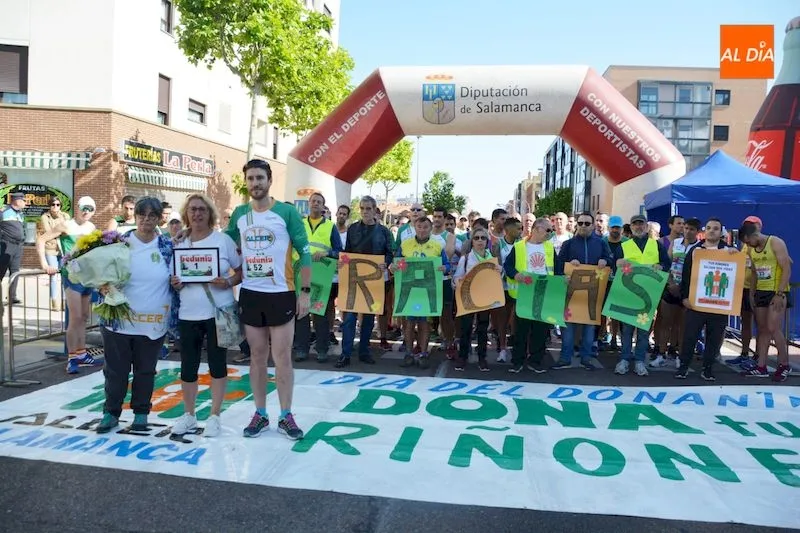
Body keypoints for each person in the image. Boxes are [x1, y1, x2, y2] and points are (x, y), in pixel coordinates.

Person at [224, 159, 311, 440]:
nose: (255, 183)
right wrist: (189, 237)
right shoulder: (240, 214)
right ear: (246, 182)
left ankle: (286, 415)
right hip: (251, 294)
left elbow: (305, 253)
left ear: (270, 180)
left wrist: (305, 292)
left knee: (282, 357)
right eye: (250, 178)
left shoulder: (286, 212)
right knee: (257, 357)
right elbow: (223, 244)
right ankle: (260, 414)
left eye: (260, 178)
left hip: (281, 293)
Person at [95, 197, 179, 433]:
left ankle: (141, 414)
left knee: (145, 371)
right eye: (142, 215)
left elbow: (178, 276)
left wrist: (178, 283)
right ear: (135, 216)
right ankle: (111, 413)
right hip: (118, 322)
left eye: (152, 216)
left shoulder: (168, 246)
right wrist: (102, 286)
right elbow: (99, 273)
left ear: (159, 218)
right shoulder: (119, 243)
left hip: (153, 323)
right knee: (116, 372)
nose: (146, 220)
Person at [170, 193, 242, 437]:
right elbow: (173, 277)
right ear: (186, 213)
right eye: (193, 209)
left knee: (217, 365)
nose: (197, 213)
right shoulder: (179, 243)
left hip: (217, 313)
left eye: (202, 209)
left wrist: (228, 281)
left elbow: (241, 271)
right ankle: (189, 415)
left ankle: (214, 416)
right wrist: (175, 283)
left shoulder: (223, 241)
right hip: (188, 314)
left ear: (210, 213)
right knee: (187, 367)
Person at [38, 196, 103, 374]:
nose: (86, 212)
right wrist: (45, 264)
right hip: (71, 276)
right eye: (84, 208)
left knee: (83, 317)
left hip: (87, 276)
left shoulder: (92, 227)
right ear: (78, 208)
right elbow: (41, 239)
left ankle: (81, 354)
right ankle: (72, 357)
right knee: (75, 318)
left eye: (90, 209)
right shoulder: (66, 225)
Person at [673, 217, 738, 381]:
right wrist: (684, 297)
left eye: (715, 228)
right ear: (704, 231)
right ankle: (683, 367)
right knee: (689, 336)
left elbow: (737, 275)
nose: (711, 231)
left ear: (721, 232)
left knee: (714, 339)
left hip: (719, 305)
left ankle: (707, 369)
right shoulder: (695, 250)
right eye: (708, 228)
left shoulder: (729, 251)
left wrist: (736, 255)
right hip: (696, 304)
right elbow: (686, 275)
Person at [335, 195, 393, 368]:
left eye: (368, 208)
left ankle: (364, 352)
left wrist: (386, 263)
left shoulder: (384, 231)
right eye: (362, 208)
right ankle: (345, 354)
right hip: (353, 278)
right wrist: (342, 262)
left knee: (368, 318)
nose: (365, 211)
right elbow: (347, 251)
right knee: (349, 318)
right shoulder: (353, 228)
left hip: (374, 280)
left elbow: (391, 252)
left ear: (375, 210)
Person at [553, 212, 613, 370]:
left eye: (587, 223)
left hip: (593, 291)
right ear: (576, 225)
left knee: (589, 326)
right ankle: (565, 358)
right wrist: (567, 267)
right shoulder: (568, 244)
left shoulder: (601, 243)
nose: (583, 226)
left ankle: (586, 358)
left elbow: (611, 260)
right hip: (571, 291)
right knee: (568, 326)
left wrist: (605, 260)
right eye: (580, 223)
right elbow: (559, 265)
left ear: (593, 226)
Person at [614, 214, 670, 377]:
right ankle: (624, 359)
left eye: (641, 224)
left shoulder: (656, 245)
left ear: (646, 227)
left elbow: (667, 263)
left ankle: (639, 361)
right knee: (626, 330)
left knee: (643, 331)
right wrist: (617, 263)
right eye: (635, 224)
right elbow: (614, 264)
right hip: (628, 294)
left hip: (648, 295)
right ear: (631, 227)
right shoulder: (624, 246)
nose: (638, 227)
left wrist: (661, 266)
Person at [393, 216, 450, 369]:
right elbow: (396, 262)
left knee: (425, 323)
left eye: (425, 227)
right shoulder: (405, 245)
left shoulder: (437, 246)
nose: (422, 230)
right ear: (415, 228)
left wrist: (444, 268)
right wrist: (394, 267)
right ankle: (409, 354)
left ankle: (423, 354)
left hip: (427, 291)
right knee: (409, 323)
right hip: (410, 290)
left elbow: (447, 265)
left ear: (430, 229)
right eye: (419, 227)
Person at [738, 221, 793, 381]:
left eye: (748, 241)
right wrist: (752, 293)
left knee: (773, 328)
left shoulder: (775, 242)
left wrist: (780, 293)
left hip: (776, 291)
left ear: (754, 235)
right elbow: (755, 272)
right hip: (761, 291)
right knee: (762, 329)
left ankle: (784, 364)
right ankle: (761, 366)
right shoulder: (750, 248)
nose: (748, 245)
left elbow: (787, 268)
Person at [293, 191, 342, 363]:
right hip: (301, 273)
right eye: (313, 201)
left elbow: (339, 251)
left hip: (322, 275)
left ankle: (322, 349)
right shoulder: (299, 224)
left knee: (320, 314)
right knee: (302, 312)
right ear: (308, 204)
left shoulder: (330, 226)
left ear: (323, 206)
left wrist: (327, 253)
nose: (315, 204)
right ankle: (302, 349)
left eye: (319, 202)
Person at [504, 217, 554, 374]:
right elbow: (508, 266)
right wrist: (515, 274)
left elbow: (557, 268)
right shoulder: (519, 247)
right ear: (536, 229)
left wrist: (562, 280)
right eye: (548, 230)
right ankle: (517, 361)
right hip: (524, 294)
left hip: (543, 293)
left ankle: (535, 361)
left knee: (540, 330)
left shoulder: (549, 247)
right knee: (521, 330)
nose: (550, 233)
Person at [651, 217, 699, 368]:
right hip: (671, 287)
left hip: (687, 290)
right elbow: (667, 263)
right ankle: (661, 354)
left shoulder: (700, 248)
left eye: (692, 229)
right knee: (665, 321)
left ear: (697, 232)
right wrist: (670, 283)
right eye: (686, 228)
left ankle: (678, 354)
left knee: (681, 325)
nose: (688, 231)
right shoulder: (675, 243)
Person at [453, 227, 502, 371]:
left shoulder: (492, 259)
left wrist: (501, 271)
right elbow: (456, 277)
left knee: (482, 328)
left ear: (487, 241)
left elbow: (499, 279)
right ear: (472, 241)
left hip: (485, 297)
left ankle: (482, 358)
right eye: (476, 238)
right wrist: (458, 281)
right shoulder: (466, 258)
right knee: (466, 328)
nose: (480, 241)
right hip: (468, 297)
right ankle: (463, 357)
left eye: (483, 238)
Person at [729, 215, 762, 367]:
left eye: (753, 225)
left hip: (758, 289)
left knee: (760, 324)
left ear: (759, 227)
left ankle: (759, 355)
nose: (750, 227)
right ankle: (744, 353)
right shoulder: (744, 244)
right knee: (745, 322)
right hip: (744, 288)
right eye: (747, 225)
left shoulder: (763, 244)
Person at [39, 197, 70, 311]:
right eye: (53, 204)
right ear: (49, 206)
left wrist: (57, 231)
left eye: (58, 204)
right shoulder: (45, 217)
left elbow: (68, 230)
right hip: (50, 249)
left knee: (64, 275)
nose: (55, 207)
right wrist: (61, 231)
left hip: (63, 249)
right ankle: (54, 302)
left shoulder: (65, 216)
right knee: (53, 275)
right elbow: (49, 232)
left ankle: (64, 301)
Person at [0, 192, 28, 304]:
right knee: (1, 270)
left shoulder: (20, 214)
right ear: (17, 201)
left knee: (15, 271)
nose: (25, 203)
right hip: (6, 245)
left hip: (18, 246)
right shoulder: (4, 212)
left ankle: (12, 296)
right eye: (24, 201)